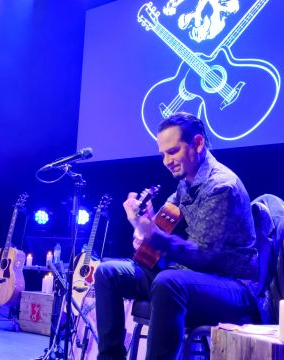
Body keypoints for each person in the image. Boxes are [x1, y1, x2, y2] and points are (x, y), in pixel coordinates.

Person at [94, 112, 258, 359]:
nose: (166, 161)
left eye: (172, 151)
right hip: (189, 276)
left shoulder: (222, 186)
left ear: (198, 143)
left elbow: (202, 255)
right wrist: (143, 222)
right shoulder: (186, 182)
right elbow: (158, 226)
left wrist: (150, 232)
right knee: (107, 272)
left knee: (168, 281)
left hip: (231, 285)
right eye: (162, 154)